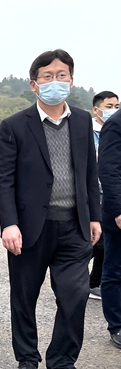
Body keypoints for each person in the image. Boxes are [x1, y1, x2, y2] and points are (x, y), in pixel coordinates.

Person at [0, 49, 100, 369]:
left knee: (75, 295)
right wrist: (9, 223)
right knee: (24, 296)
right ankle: (27, 359)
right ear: (34, 84)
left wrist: (94, 217)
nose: (56, 81)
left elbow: (89, 171)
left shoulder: (82, 120)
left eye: (62, 75)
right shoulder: (14, 126)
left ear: (72, 80)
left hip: (74, 225)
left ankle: (62, 363)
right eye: (47, 76)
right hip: (29, 228)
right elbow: (4, 179)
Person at [88, 91, 119, 299]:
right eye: (109, 106)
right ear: (96, 109)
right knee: (95, 242)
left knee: (103, 245)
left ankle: (94, 282)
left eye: (116, 106)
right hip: (95, 192)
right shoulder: (87, 131)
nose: (113, 110)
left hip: (107, 192)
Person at [98, 95, 121, 351]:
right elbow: (108, 169)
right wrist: (118, 209)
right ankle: (117, 324)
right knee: (115, 270)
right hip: (119, 212)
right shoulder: (116, 124)